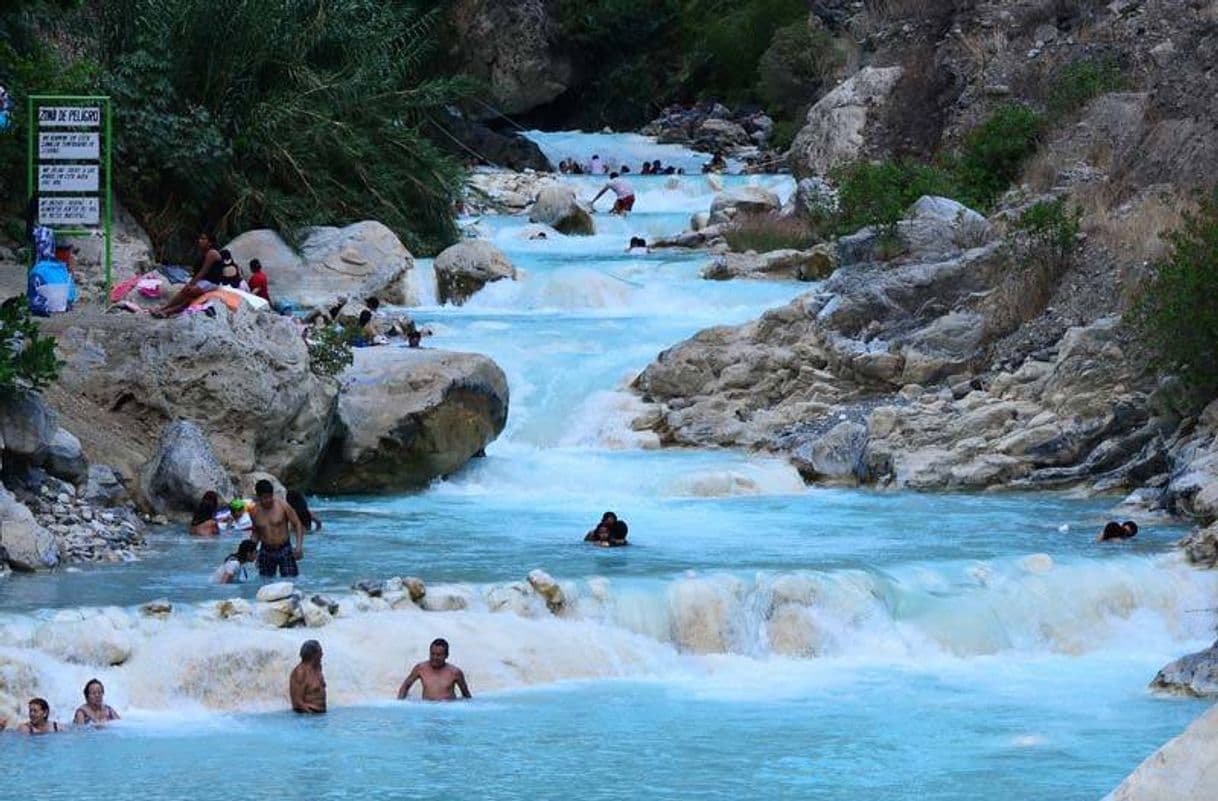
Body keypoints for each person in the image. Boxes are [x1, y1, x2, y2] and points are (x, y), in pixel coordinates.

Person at [152, 232, 223, 317]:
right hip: (204, 281)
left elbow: (204, 271)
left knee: (190, 292)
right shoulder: (204, 252)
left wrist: (192, 283)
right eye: (200, 238)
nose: (200, 241)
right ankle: (164, 308)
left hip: (212, 282)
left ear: (210, 242)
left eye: (203, 239)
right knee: (186, 291)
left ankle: (168, 311)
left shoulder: (212, 253)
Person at [249, 479, 306, 578]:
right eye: (264, 498)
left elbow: (297, 524)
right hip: (266, 550)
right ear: (258, 497)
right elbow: (256, 532)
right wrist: (252, 551)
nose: (268, 500)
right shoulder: (254, 512)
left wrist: (299, 547)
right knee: (265, 581)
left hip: (284, 548)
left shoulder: (283, 506)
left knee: (290, 580)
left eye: (270, 497)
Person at [396, 638, 471, 701]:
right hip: (427, 708)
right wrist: (400, 703)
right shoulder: (420, 668)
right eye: (432, 654)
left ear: (446, 655)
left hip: (448, 710)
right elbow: (405, 686)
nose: (435, 657)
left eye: (438, 655)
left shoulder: (455, 672)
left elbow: (466, 695)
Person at [290, 640, 327, 714]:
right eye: (320, 652)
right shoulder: (300, 672)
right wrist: (309, 715)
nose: (322, 654)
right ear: (313, 654)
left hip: (320, 715)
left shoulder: (318, 667)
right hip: (308, 715)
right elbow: (297, 701)